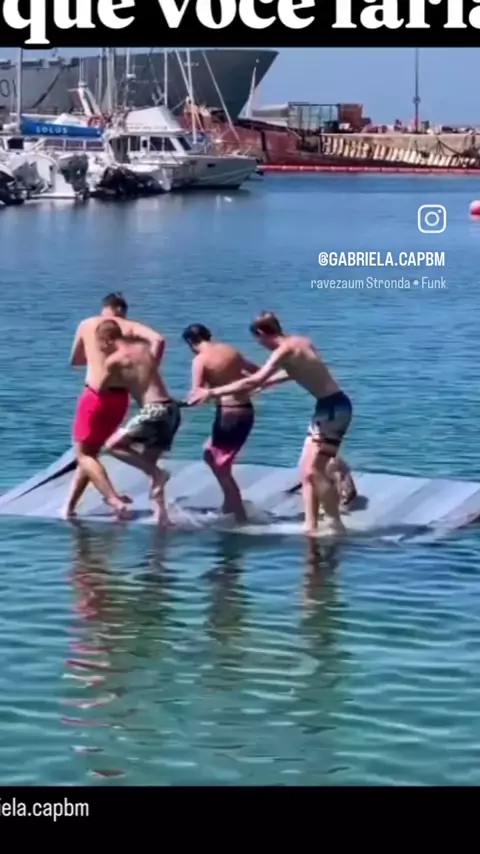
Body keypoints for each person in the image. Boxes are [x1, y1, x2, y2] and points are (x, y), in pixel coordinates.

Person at [188, 311, 354, 536]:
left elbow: (256, 378)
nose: (261, 345)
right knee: (305, 471)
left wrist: (212, 392)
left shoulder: (283, 350)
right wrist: (263, 385)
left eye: (258, 340)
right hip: (330, 407)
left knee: (314, 470)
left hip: (333, 409)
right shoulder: (301, 342)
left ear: (260, 333)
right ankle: (311, 525)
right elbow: (295, 372)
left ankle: (335, 524)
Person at [64, 294, 165, 518]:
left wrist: (94, 356)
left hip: (96, 396)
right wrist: (148, 370)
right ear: (122, 310)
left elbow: (75, 360)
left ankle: (113, 499)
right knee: (90, 454)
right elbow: (158, 340)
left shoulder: (88, 324)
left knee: (83, 455)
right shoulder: (130, 327)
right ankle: (69, 507)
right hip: (120, 399)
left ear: (105, 307)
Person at [182, 323, 261, 522]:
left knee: (220, 465)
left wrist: (179, 405)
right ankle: (229, 504)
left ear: (191, 342)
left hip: (229, 414)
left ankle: (238, 512)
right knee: (210, 454)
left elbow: (197, 393)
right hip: (246, 411)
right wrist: (243, 385)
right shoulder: (229, 350)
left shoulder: (200, 360)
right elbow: (258, 373)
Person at [103, 332, 182, 526]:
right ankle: (161, 515)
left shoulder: (114, 360)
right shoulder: (144, 350)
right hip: (171, 409)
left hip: (153, 410)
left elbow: (102, 387)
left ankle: (160, 474)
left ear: (108, 340)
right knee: (148, 461)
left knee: (112, 446)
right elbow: (157, 345)